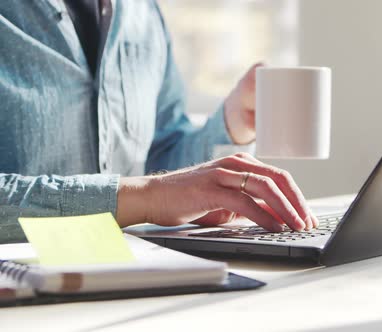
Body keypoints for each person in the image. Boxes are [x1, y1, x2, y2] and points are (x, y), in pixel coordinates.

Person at [0, 0, 318, 243]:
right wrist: (150, 196)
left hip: (126, 274)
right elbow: (152, 192)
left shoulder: (143, 12)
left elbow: (159, 161)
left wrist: (232, 121)